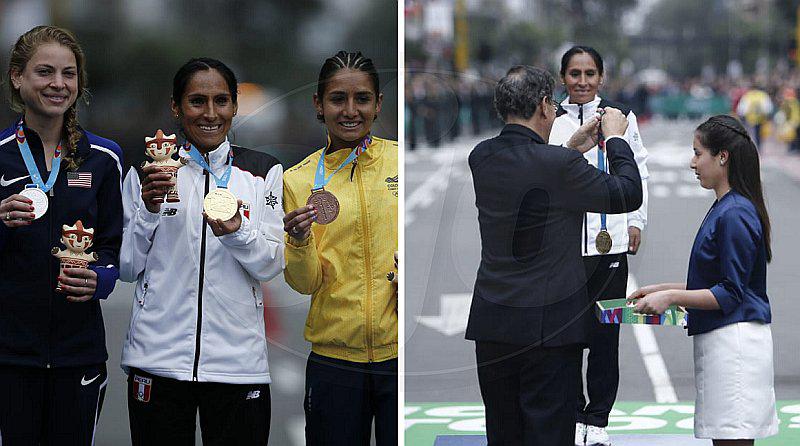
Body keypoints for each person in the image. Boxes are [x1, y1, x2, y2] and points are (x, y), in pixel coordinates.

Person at [465, 65, 643, 446]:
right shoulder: (559, 167)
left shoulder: (482, 157)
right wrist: (615, 139)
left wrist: (569, 149)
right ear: (545, 106)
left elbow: (533, 176)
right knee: (549, 434)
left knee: (504, 433)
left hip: (494, 323)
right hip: (549, 328)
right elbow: (628, 193)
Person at [119, 58, 284, 445]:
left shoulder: (264, 171)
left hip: (238, 366)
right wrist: (149, 210)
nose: (210, 114)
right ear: (176, 107)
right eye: (197, 101)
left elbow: (271, 264)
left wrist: (237, 233)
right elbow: (127, 267)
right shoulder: (146, 172)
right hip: (157, 360)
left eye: (221, 101)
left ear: (235, 105)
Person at [0, 26, 123, 445]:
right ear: (18, 76)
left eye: (68, 74)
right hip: (8, 355)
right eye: (45, 72)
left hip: (78, 355)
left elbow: (113, 247)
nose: (58, 84)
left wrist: (99, 280)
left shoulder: (103, 158)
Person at [630, 115, 778, 446]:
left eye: (698, 153)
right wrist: (663, 289)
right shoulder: (727, 207)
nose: (692, 162)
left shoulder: (735, 212)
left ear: (722, 157)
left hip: (735, 344)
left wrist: (671, 298)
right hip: (724, 341)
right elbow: (720, 282)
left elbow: (730, 292)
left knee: (732, 440)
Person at [282, 51, 398, 446]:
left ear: (378, 104)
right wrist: (299, 241)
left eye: (362, 99)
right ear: (319, 104)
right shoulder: (297, 180)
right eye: (337, 99)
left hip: (398, 357)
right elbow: (304, 283)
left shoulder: (400, 162)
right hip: (334, 361)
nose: (350, 111)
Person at [548, 45, 649, 446]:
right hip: (565, 249)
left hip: (611, 247)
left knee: (607, 337)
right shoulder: (551, 118)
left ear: (602, 77)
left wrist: (637, 220)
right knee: (568, 338)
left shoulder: (621, 117)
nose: (583, 81)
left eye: (590, 73)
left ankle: (599, 419)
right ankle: (574, 415)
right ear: (563, 77)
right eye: (575, 74)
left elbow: (639, 168)